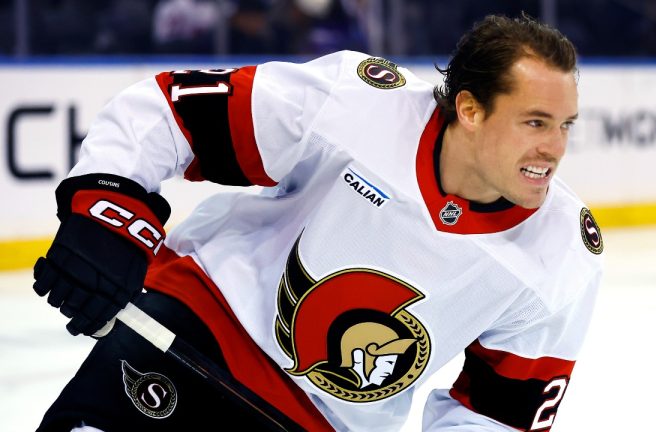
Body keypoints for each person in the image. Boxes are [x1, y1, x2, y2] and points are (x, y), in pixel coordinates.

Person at [32, 13, 603, 431]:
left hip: (321, 421)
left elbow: (497, 415)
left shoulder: (563, 252)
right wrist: (107, 210)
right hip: (197, 327)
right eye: (535, 122)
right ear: (471, 110)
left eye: (565, 126)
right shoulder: (359, 105)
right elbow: (170, 111)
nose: (554, 148)